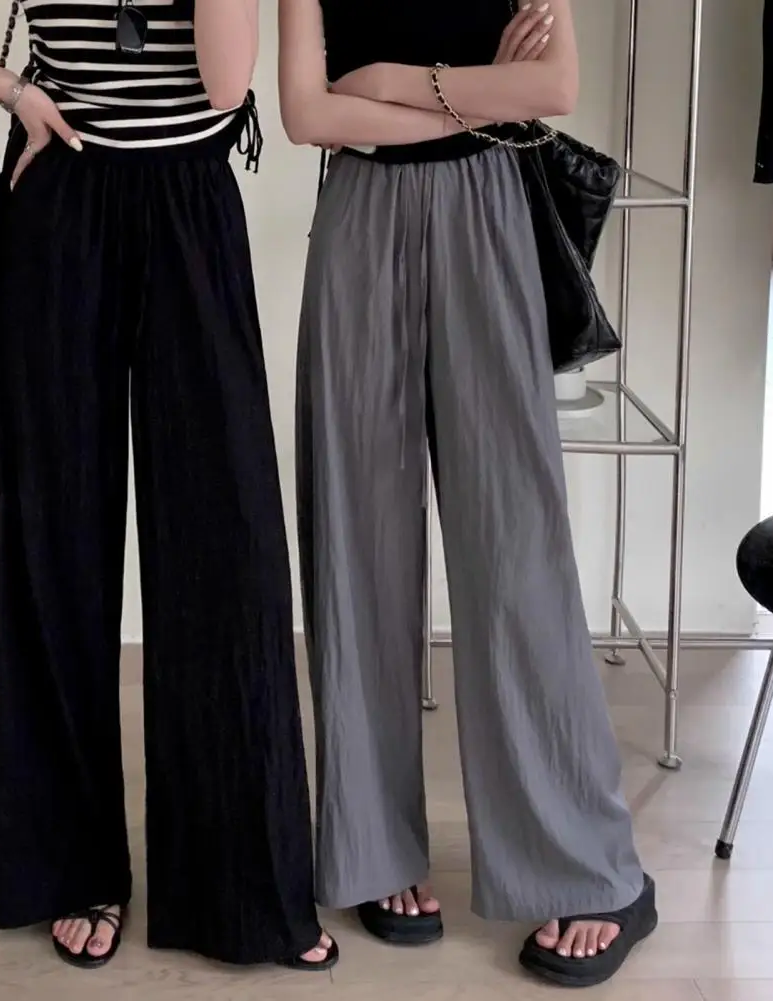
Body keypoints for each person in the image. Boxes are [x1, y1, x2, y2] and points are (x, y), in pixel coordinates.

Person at [0, 0, 337, 973]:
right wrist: (10, 90)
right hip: (60, 212)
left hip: (191, 209)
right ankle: (72, 867)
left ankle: (241, 884)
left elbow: (226, 85)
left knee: (225, 546)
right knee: (52, 540)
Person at [279, 0, 656, 987]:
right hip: (358, 220)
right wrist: (477, 97)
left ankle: (586, 863)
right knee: (355, 540)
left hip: (490, 212)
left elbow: (552, 88)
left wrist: (390, 86)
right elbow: (307, 116)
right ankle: (373, 845)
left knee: (514, 545)